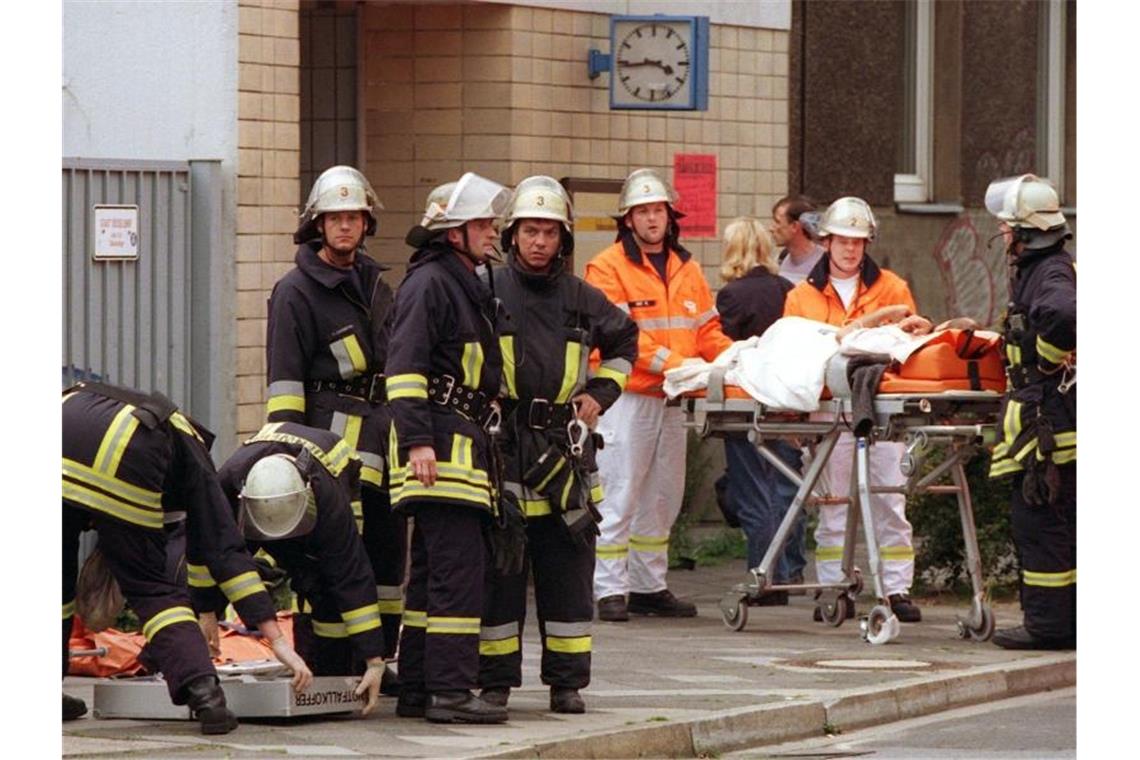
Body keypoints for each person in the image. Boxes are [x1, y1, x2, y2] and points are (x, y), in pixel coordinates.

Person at [62, 382, 312, 733]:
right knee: (153, 589)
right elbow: (223, 548)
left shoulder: (102, 399)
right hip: (127, 455)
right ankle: (206, 697)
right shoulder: (188, 449)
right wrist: (278, 641)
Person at [478, 177, 638, 714]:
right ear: (513, 235)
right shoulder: (488, 289)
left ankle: (566, 684)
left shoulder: (581, 298)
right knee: (501, 572)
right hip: (502, 447)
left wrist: (600, 393)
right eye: (530, 230)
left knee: (567, 572)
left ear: (563, 240)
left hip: (564, 453)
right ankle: (495, 682)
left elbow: (625, 342)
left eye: (549, 232)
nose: (540, 241)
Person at [264, 165, 405, 691]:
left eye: (354, 217)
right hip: (330, 446)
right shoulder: (296, 291)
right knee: (331, 554)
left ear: (366, 224)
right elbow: (285, 387)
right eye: (335, 218)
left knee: (387, 555)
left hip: (384, 438)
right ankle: (328, 660)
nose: (345, 227)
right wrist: (291, 457)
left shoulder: (376, 283)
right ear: (317, 225)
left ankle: (377, 659)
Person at [386, 172, 512, 724]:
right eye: (483, 223)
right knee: (458, 577)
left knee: (435, 577)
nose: (493, 232)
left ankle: (417, 687)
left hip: (458, 451)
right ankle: (452, 692)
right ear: (454, 233)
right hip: (439, 453)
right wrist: (417, 442)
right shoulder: (431, 284)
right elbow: (405, 369)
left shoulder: (461, 282)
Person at [585, 168, 733, 621]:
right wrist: (678, 365)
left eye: (659, 210)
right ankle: (609, 589)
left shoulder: (686, 267)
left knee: (662, 495)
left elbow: (707, 329)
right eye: (643, 211)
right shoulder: (607, 267)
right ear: (628, 220)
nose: (652, 219)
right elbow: (618, 336)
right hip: (627, 397)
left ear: (671, 217)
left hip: (673, 398)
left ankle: (649, 585)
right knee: (618, 491)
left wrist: (733, 361)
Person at [782, 196, 926, 624]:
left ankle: (896, 587)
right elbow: (795, 359)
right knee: (834, 501)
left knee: (889, 497)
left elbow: (910, 345)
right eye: (843, 241)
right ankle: (833, 587)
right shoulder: (801, 298)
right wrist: (795, 416)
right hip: (828, 407)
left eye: (859, 242)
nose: (851, 249)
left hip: (882, 406)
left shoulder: (893, 289)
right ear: (826, 242)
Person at [216, 422, 392, 715]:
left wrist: (374, 661)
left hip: (337, 479)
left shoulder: (330, 503)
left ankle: (335, 668)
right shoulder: (227, 483)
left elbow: (352, 578)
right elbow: (217, 555)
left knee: (328, 583)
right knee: (239, 564)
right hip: (261, 505)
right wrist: (207, 611)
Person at [980, 175, 1076, 650]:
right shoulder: (1044, 267)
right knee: (1060, 523)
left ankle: (1050, 627)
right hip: (1054, 420)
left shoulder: (1050, 273)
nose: (1002, 236)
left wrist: (1045, 358)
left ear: (1024, 231)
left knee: (1040, 523)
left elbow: (1064, 316)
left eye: (1005, 228)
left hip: (1050, 425)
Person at [714, 217, 805, 603]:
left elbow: (725, 352)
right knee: (786, 488)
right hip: (785, 402)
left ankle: (762, 577)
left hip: (746, 402)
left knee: (751, 492)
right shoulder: (789, 289)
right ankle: (788, 571)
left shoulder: (731, 296)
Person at [770, 195, 825, 285]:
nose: (771, 228)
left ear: (795, 226)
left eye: (777, 222)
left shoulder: (824, 262)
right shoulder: (781, 259)